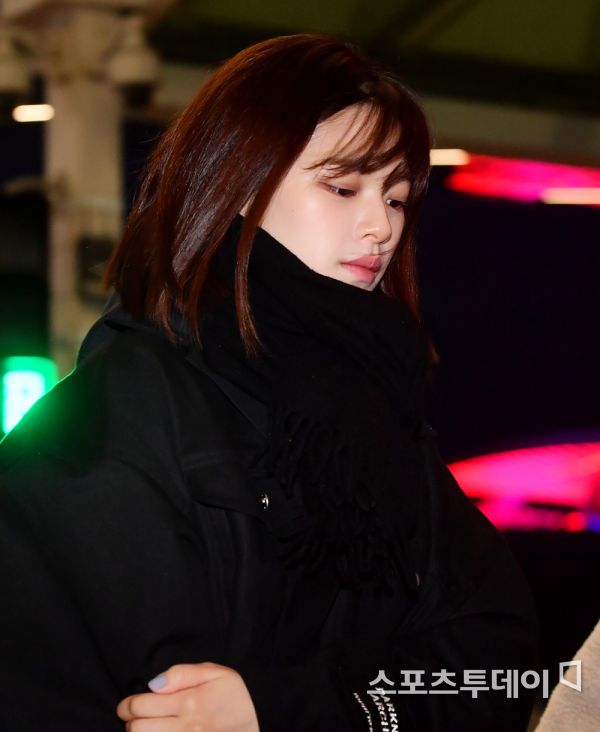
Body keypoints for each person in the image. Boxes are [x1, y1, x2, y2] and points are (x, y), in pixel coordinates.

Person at [0, 34, 538, 731]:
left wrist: (291, 711)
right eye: (342, 188)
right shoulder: (121, 413)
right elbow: (141, 699)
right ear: (238, 183)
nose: (380, 226)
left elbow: (501, 667)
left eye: (398, 198)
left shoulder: (381, 421)